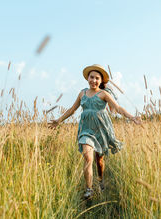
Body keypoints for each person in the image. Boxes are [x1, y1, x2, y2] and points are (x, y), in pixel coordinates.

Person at [48, 64, 141, 199]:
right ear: (87, 78)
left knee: (99, 160)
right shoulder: (82, 93)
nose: (94, 80)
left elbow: (118, 107)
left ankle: (101, 180)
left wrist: (132, 117)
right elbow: (72, 110)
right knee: (88, 157)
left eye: (97, 78)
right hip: (86, 130)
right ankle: (89, 189)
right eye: (92, 77)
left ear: (101, 81)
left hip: (101, 130)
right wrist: (59, 120)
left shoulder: (104, 94)